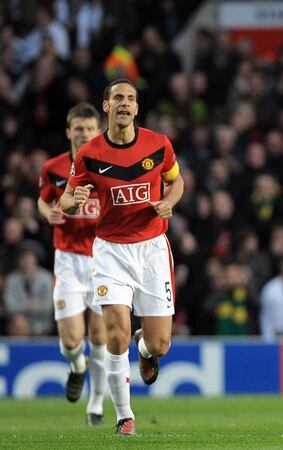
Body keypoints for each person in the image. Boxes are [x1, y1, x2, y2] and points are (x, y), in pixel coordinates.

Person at [61, 78, 184, 436]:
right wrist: (74, 201)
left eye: (130, 98)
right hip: (111, 251)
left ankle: (145, 351)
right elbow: (66, 198)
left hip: (152, 250)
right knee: (116, 334)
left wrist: (169, 202)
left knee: (160, 344)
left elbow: (176, 181)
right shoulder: (90, 154)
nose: (125, 103)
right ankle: (124, 416)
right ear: (107, 106)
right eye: (118, 98)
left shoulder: (158, 145)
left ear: (136, 107)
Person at [37, 102, 107, 425]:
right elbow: (43, 200)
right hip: (68, 260)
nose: (84, 134)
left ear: (98, 132)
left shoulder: (109, 165)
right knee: (70, 341)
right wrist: (47, 213)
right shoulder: (53, 168)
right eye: (78, 128)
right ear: (69, 132)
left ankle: (96, 406)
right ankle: (78, 366)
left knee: (101, 338)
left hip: (103, 258)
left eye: (90, 129)